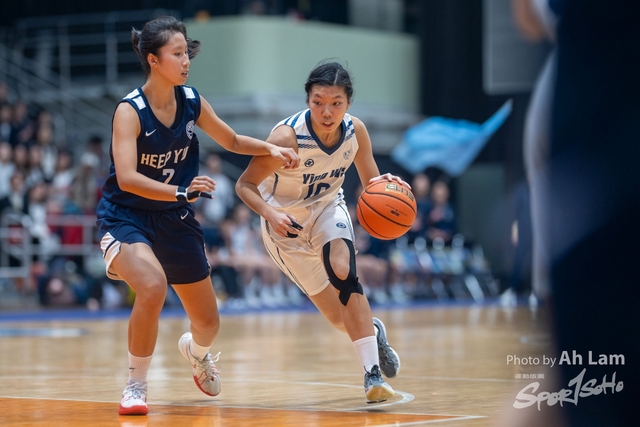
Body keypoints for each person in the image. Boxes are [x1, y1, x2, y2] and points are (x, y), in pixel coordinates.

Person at [95, 16, 299, 416]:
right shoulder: (130, 111)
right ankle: (135, 385)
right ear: (154, 60)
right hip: (127, 216)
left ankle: (197, 352)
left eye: (186, 51)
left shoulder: (191, 100)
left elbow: (232, 139)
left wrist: (271, 150)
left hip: (174, 218)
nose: (186, 59)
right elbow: (127, 177)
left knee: (208, 322)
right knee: (152, 286)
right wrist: (181, 190)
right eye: (176, 53)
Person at [236, 61, 403, 404]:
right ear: (308, 100)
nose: (327, 112)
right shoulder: (287, 137)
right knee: (338, 317)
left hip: (327, 207)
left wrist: (387, 188)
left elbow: (371, 183)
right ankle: (372, 331)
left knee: (344, 273)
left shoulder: (356, 132)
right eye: (318, 102)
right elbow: (245, 185)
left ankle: (372, 374)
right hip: (285, 225)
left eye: (336, 103)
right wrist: (270, 213)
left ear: (349, 103)